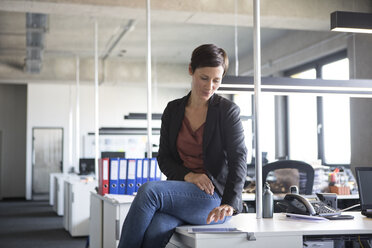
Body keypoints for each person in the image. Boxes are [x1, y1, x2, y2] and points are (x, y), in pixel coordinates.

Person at [118, 44, 247, 248]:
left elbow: (238, 159)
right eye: (204, 78)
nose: (210, 86)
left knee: (149, 191)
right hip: (179, 194)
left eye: (217, 80)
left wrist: (230, 203)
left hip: (212, 200)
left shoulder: (227, 111)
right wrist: (190, 176)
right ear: (190, 70)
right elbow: (164, 159)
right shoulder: (173, 110)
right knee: (154, 232)